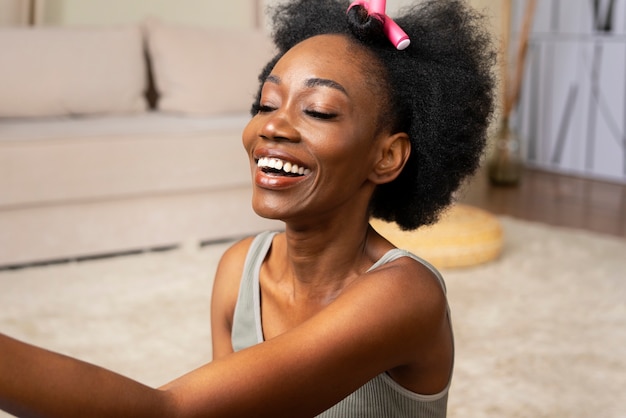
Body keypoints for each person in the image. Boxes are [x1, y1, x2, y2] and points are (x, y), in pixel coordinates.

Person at [0, 0, 495, 416]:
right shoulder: (240, 269)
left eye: (318, 110)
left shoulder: (406, 295)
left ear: (386, 156)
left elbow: (171, 411)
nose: (272, 127)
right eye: (264, 104)